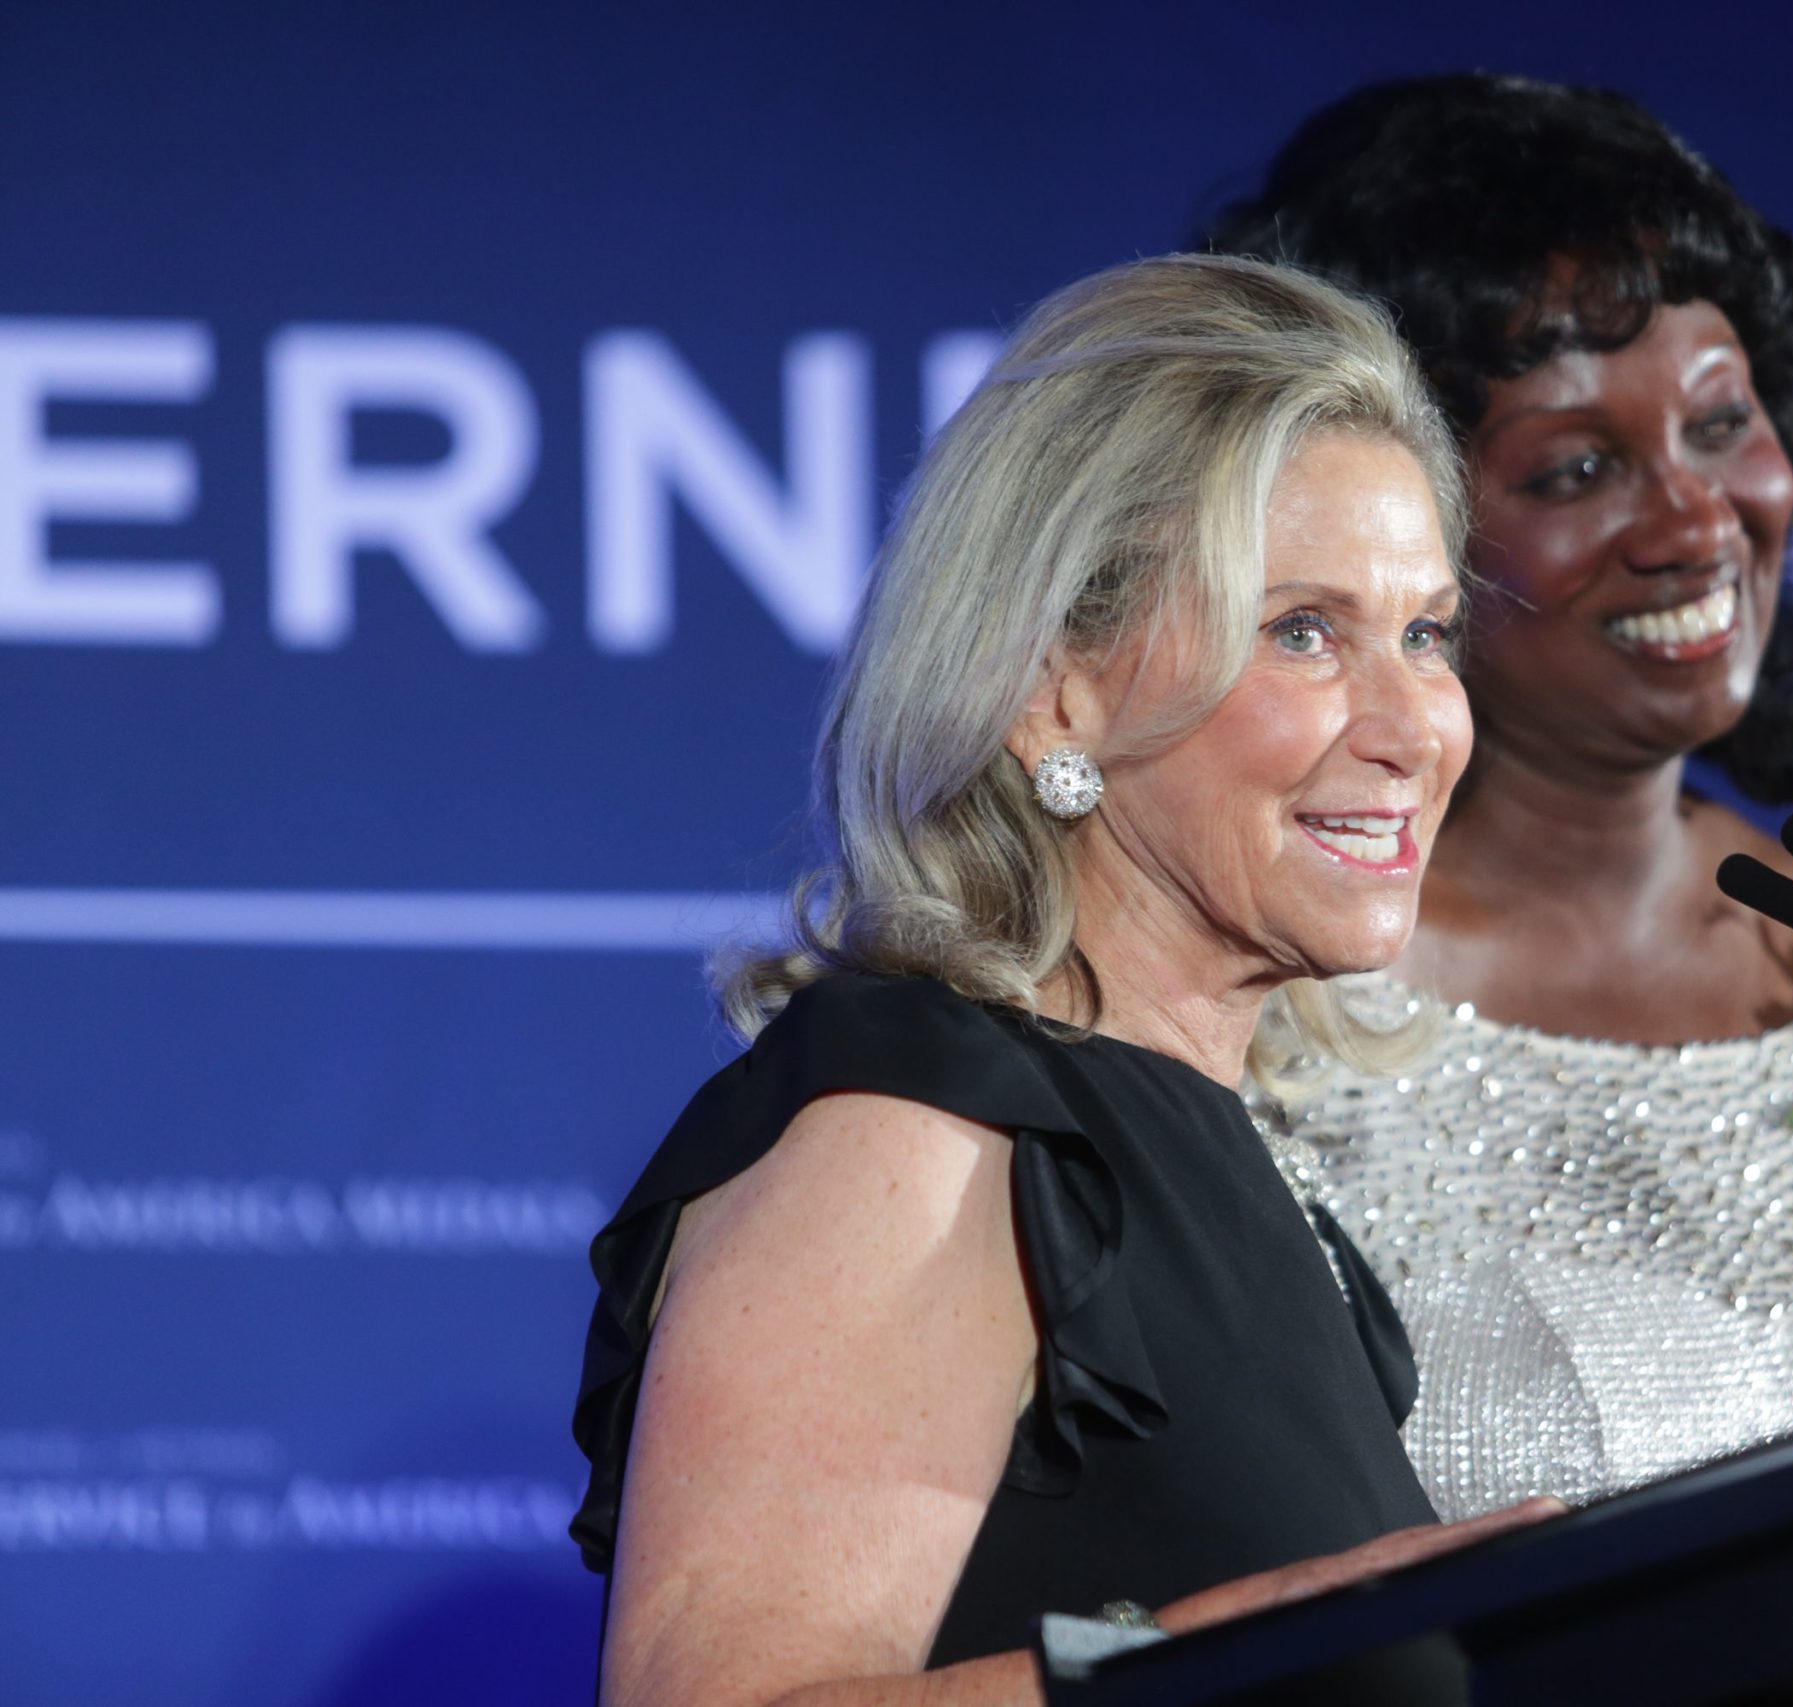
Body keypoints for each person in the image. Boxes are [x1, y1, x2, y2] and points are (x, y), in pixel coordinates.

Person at [568, 254, 1557, 1707]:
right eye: (1303, 631)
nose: (1415, 724)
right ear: (1056, 694)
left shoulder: (1254, 1189)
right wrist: (1242, 1658)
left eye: (1425, 634)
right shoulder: (923, 1128)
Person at [1202, 75, 1793, 1520]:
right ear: (1390, 531)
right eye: (1580, 468)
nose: (1695, 521)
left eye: (1723, 423)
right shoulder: (1269, 1005)